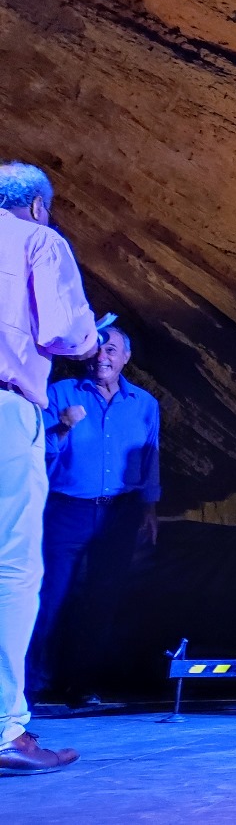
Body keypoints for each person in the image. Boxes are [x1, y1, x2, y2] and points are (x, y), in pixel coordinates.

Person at [0, 162, 96, 774]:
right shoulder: (38, 239)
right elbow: (65, 332)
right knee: (12, 570)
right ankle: (5, 731)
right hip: (5, 409)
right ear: (37, 205)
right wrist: (91, 342)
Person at [27, 327, 160, 706]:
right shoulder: (59, 394)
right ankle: (29, 687)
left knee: (102, 600)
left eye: (112, 349)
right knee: (50, 596)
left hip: (120, 513)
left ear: (125, 358)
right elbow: (37, 449)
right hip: (66, 510)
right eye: (97, 348)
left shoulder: (144, 404)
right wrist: (63, 426)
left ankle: (81, 685)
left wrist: (149, 507)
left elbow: (150, 456)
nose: (103, 356)